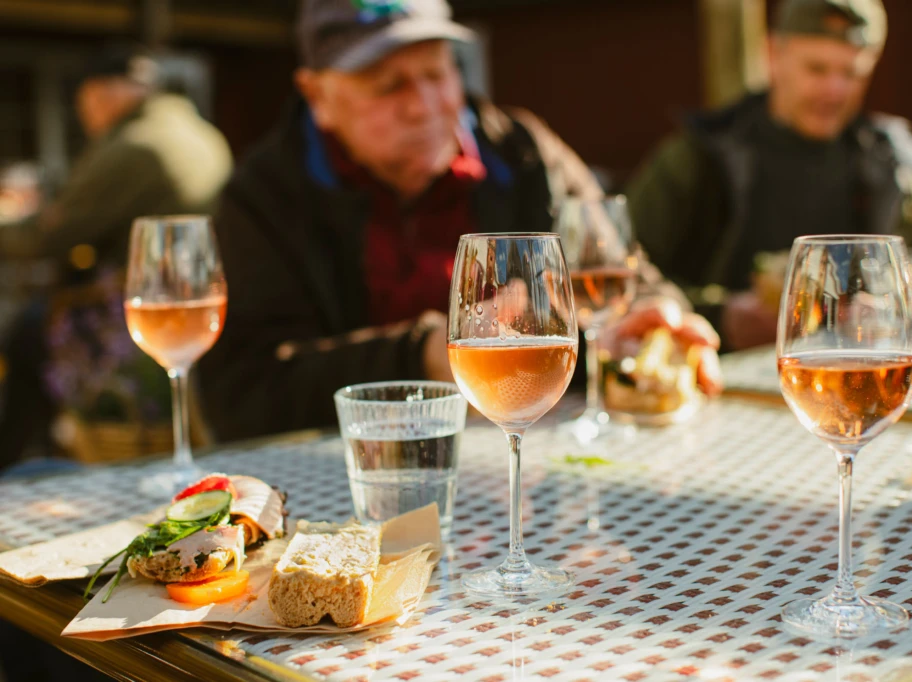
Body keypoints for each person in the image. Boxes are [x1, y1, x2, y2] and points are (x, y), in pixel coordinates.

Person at [197, 0, 722, 443]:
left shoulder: (520, 151)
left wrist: (657, 317)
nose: (424, 105)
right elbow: (239, 393)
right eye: (388, 86)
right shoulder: (265, 196)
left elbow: (621, 277)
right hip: (348, 479)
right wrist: (422, 357)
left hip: (543, 460)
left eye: (436, 73)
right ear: (318, 96)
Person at [627, 0, 912, 352]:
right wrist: (718, 316)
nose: (835, 90)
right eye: (816, 68)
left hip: (860, 372)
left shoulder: (895, 165)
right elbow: (624, 273)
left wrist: (897, 309)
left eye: (851, 73)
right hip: (718, 370)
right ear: (773, 55)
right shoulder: (700, 157)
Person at [0, 45, 233, 466]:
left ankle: (23, 472)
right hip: (197, 291)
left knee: (26, 336)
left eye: (84, 104)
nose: (85, 117)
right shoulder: (200, 131)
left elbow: (51, 235)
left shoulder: (135, 144)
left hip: (145, 301)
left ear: (101, 94)